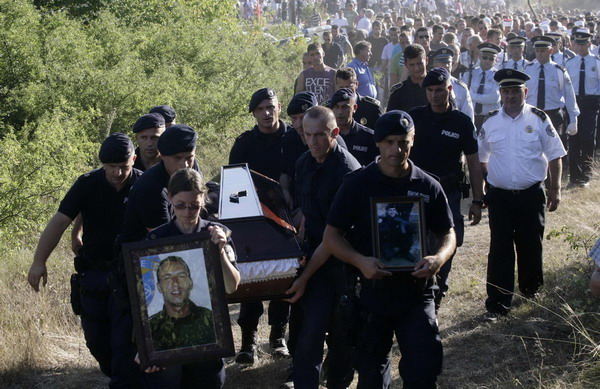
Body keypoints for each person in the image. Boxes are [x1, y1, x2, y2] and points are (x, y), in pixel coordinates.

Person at [322, 110, 456, 388]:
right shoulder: (357, 184)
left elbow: (448, 233)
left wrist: (438, 258)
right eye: (390, 142)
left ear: (413, 140)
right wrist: (360, 261)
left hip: (416, 293)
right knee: (371, 375)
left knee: (423, 371)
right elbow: (332, 236)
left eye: (403, 142)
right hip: (372, 293)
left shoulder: (428, 185)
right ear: (378, 143)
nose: (397, 149)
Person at [28, 133, 142, 388]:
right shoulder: (87, 183)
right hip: (94, 277)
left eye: (123, 166)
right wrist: (39, 261)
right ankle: (122, 378)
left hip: (129, 277)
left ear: (133, 159)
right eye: (111, 167)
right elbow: (59, 221)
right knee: (97, 343)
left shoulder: (144, 185)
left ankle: (125, 382)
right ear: (103, 164)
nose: (117, 173)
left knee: (124, 344)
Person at [478, 69, 567, 321]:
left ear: (524, 92)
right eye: (505, 92)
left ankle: (532, 295)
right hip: (501, 197)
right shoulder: (491, 121)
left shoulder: (539, 119)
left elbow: (555, 155)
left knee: (531, 245)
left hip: (531, 195)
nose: (510, 96)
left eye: (515, 91)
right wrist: (488, 184)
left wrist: (556, 188)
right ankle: (498, 304)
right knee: (500, 249)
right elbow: (480, 158)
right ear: (500, 94)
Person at [283, 106, 361, 389]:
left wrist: (304, 277)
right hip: (313, 256)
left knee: (341, 338)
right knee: (308, 333)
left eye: (320, 135)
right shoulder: (304, 162)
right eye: (307, 134)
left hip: (343, 263)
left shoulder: (349, 172)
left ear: (335, 133)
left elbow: (334, 237)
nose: (313, 141)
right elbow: (308, 213)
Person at [142, 168, 240, 389]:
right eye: (180, 205)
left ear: (203, 199)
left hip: (208, 334)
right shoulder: (154, 240)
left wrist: (220, 251)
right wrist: (145, 346)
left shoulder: (218, 233)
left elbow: (232, 287)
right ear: (169, 199)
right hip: (167, 338)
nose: (187, 212)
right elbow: (144, 299)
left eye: (194, 205)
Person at [409, 67, 484, 311]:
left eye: (439, 90)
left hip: (448, 192)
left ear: (449, 90)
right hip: (415, 192)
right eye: (430, 91)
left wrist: (477, 199)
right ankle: (416, 291)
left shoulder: (461, 122)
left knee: (447, 241)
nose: (434, 95)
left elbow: (473, 161)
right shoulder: (415, 118)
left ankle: (438, 290)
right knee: (414, 241)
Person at [229, 88, 292, 364]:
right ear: (254, 113)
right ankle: (248, 342)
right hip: (253, 221)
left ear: (279, 107)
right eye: (260, 109)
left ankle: (278, 337)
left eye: (271, 107)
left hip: (287, 220)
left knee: (284, 277)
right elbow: (232, 189)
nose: (267, 113)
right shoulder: (244, 143)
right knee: (251, 279)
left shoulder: (294, 138)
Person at [117, 124, 215, 245]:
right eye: (177, 158)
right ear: (162, 156)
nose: (184, 165)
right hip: (142, 252)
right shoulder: (151, 188)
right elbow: (166, 240)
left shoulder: (190, 168)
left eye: (189, 158)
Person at [524, 35, 580, 155]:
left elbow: (569, 95)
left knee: (554, 151)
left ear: (550, 51)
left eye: (543, 51)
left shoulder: (559, 71)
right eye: (537, 51)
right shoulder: (528, 69)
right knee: (533, 149)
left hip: (553, 114)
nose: (539, 54)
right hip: (532, 114)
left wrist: (573, 119)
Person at [149, 256, 216, 351]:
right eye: (167, 278)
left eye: (181, 276)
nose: (175, 283)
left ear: (190, 282)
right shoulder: (151, 327)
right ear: (159, 287)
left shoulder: (209, 318)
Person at [564, 30, 600, 188]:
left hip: (591, 103)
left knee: (587, 139)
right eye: (578, 44)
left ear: (589, 44)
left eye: (584, 44)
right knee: (573, 139)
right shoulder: (570, 63)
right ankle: (574, 176)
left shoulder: (597, 62)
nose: (580, 47)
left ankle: (586, 174)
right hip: (574, 102)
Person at [330, 88, 379, 166]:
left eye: (345, 107)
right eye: (336, 107)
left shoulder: (369, 137)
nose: (340, 112)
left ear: (354, 108)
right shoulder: (327, 136)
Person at [462, 42, 501, 131]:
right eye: (485, 57)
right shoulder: (469, 74)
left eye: (491, 58)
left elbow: (494, 98)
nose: (487, 60)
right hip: (471, 117)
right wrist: (471, 96)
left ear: (496, 60)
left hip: (490, 118)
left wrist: (472, 96)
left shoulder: (498, 76)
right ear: (479, 57)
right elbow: (464, 95)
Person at [430, 48, 474, 121]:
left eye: (449, 63)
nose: (447, 66)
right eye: (443, 63)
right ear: (434, 64)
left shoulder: (460, 87)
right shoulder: (427, 85)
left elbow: (468, 115)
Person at [387, 44, 428, 112]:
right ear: (406, 65)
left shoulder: (437, 86)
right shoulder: (398, 92)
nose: (416, 68)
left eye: (419, 63)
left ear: (426, 60)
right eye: (412, 65)